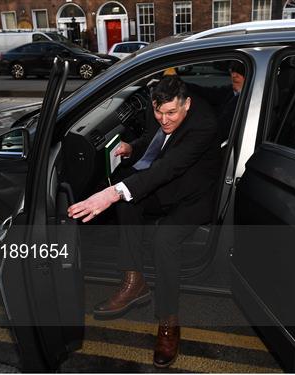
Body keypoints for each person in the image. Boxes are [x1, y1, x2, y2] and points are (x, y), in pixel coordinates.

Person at [67, 76, 220, 368]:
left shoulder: (204, 124)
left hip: (195, 195)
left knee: (165, 238)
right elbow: (155, 140)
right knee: (128, 201)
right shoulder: (162, 112)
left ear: (187, 103)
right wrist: (131, 148)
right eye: (158, 112)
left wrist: (110, 194)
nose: (164, 119)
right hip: (165, 184)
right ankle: (135, 281)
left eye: (171, 113)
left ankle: (168, 322)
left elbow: (168, 166)